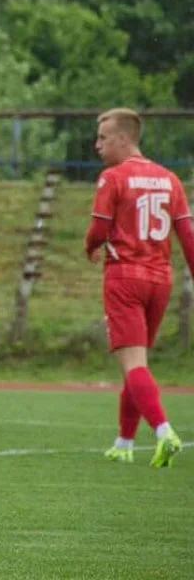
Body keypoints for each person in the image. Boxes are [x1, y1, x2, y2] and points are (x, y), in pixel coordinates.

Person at [85, 107, 192, 469]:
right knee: (137, 362)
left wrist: (89, 247)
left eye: (103, 137)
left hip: (125, 278)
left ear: (124, 138)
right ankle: (124, 442)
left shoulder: (112, 178)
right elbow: (187, 236)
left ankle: (164, 432)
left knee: (133, 363)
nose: (97, 144)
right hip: (160, 279)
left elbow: (99, 230)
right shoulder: (170, 179)